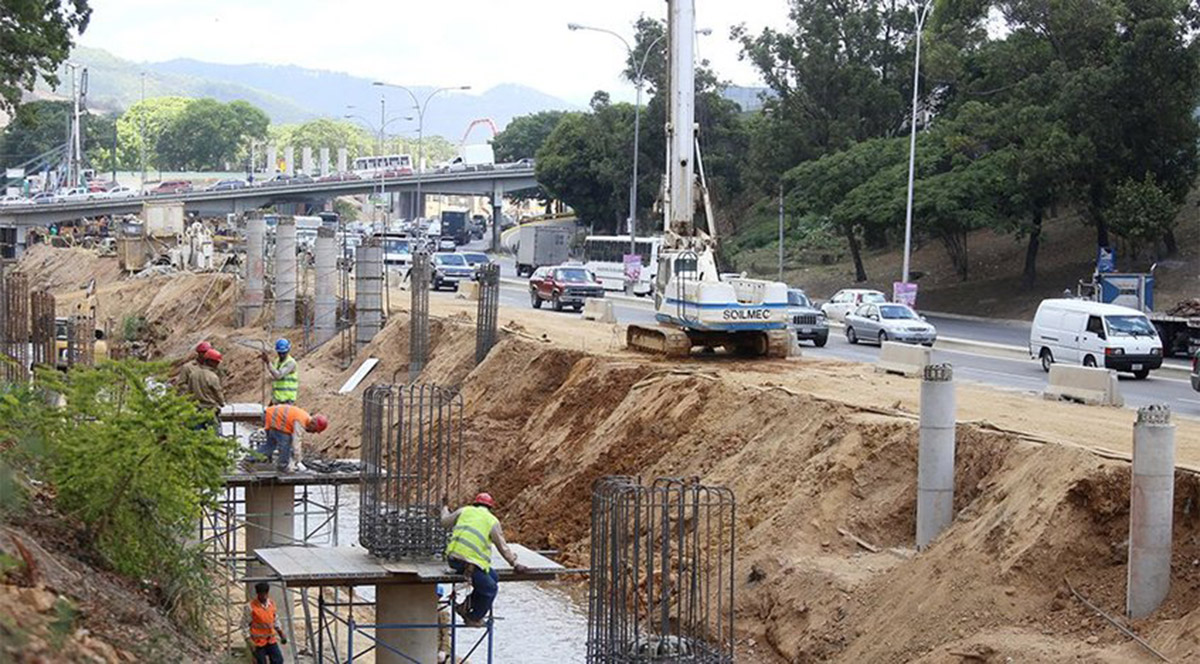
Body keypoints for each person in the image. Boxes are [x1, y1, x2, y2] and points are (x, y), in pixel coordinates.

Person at [441, 493, 529, 627]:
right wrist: (515, 563)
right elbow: (502, 546)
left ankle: (465, 605)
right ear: (489, 507)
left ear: (475, 503)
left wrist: (445, 507)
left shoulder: (464, 511)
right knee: (490, 588)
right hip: (468, 563)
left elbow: (444, 522)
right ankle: (473, 617)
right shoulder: (492, 521)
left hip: (453, 559)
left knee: (494, 577)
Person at [259, 403, 327, 472]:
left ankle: (251, 458)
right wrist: (298, 461)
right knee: (285, 443)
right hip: (273, 418)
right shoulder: (300, 422)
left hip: (269, 415)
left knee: (271, 444)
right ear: (313, 424)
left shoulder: (304, 418)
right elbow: (296, 442)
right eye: (315, 430)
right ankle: (283, 467)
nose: (313, 432)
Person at [244, 581, 287, 664]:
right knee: (261, 662)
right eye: (261, 594)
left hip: (270, 640)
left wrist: (281, 633)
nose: (263, 597)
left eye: (265, 594)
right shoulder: (250, 607)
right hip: (258, 642)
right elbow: (244, 625)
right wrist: (249, 640)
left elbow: (275, 619)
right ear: (257, 594)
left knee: (278, 660)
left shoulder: (271, 604)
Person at [186, 349, 225, 427]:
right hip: (210, 410)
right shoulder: (213, 377)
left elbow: (189, 393)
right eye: (216, 362)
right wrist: (222, 403)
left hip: (196, 410)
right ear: (211, 362)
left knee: (196, 436)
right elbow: (218, 393)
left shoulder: (193, 375)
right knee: (212, 435)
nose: (217, 364)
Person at [261, 338, 298, 405]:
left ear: (288, 350)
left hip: (287, 400)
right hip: (277, 399)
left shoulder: (291, 363)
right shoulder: (277, 361)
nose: (281, 355)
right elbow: (273, 376)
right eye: (280, 353)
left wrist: (268, 362)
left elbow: (278, 375)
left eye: (284, 353)